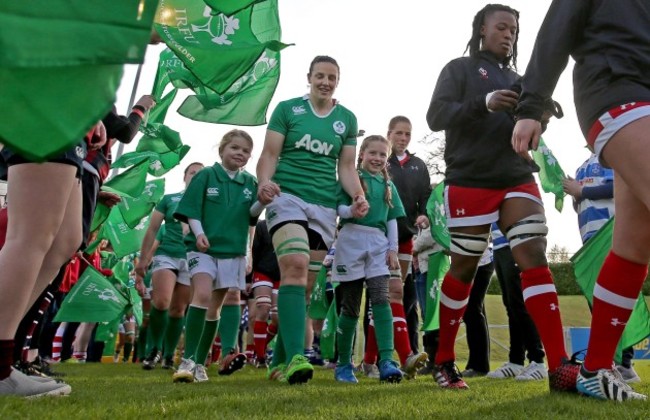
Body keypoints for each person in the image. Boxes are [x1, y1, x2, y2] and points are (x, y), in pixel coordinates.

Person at [426, 4, 577, 391]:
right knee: (463, 267)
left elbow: (530, 132)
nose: (509, 34)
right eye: (502, 27)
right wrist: (485, 102)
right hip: (470, 177)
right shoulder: (457, 69)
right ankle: (444, 360)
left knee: (534, 256)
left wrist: (539, 116)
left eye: (514, 29)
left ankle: (558, 364)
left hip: (516, 176)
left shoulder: (522, 78)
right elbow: (435, 116)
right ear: (482, 28)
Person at [512, 0, 650, 402]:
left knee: (633, 248)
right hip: (617, 93)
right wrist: (531, 106)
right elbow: (555, 32)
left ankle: (595, 371)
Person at [256, 55, 368, 385]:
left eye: (331, 77)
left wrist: (358, 196)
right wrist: (264, 182)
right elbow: (270, 154)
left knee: (305, 288)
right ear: (309, 77)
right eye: (320, 75)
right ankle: (295, 358)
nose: (325, 81)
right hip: (286, 196)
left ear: (338, 81)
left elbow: (346, 167)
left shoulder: (346, 119)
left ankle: (276, 361)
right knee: (294, 264)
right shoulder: (288, 109)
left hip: (324, 207)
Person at [0, 127, 97, 396]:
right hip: (51, 105)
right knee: (30, 235)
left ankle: (6, 357)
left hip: (73, 115)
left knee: (64, 242)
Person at [172, 129, 257, 383]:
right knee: (202, 294)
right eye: (235, 148)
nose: (240, 153)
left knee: (216, 307)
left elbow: (252, 215)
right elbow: (191, 209)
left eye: (245, 151)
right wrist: (198, 233)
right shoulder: (207, 175)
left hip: (232, 251)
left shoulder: (250, 182)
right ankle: (186, 361)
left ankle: (200, 362)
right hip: (202, 249)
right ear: (222, 150)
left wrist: (262, 201)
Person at [332, 135, 405, 384]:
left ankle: (386, 360)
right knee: (351, 305)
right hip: (351, 239)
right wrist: (351, 210)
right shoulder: (350, 179)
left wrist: (393, 249)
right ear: (361, 153)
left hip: (378, 243)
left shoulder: (388, 186)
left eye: (383, 155)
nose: (377, 158)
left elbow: (392, 218)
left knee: (381, 300)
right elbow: (338, 210)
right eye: (372, 153)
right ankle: (343, 364)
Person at [362, 116, 430, 379]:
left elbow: (425, 195)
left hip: (404, 237)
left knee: (395, 294)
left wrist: (424, 215)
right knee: (382, 297)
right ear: (389, 134)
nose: (403, 138)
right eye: (399, 133)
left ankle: (391, 358)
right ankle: (383, 358)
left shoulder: (418, 165)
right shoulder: (379, 162)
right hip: (375, 237)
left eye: (407, 134)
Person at [563, 154, 640, 384]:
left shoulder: (612, 156)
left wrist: (582, 192)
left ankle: (625, 364)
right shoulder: (581, 167)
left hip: (611, 233)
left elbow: (621, 187)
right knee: (597, 301)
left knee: (613, 298)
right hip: (589, 239)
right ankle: (609, 360)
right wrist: (574, 194)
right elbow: (580, 202)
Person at [135, 162, 204, 370]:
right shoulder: (169, 199)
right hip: (167, 255)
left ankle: (168, 355)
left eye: (200, 174)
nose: (195, 176)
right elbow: (152, 229)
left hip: (191, 258)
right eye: (192, 172)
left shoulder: (208, 203)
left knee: (177, 310)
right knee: (162, 302)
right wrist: (143, 259)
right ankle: (153, 349)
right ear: (184, 176)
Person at [487, 225, 547, 381]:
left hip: (516, 240)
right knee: (510, 305)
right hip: (499, 244)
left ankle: (537, 360)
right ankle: (516, 360)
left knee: (519, 304)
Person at [250, 219, 281, 368]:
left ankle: (258, 351)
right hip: (263, 272)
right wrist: (249, 277)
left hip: (283, 275)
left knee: (277, 318)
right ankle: (261, 359)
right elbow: (254, 251)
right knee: (262, 309)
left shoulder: (292, 221)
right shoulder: (262, 225)